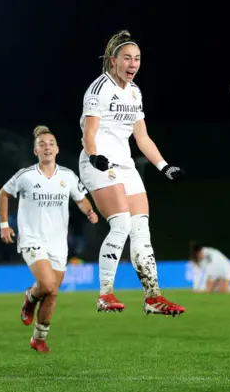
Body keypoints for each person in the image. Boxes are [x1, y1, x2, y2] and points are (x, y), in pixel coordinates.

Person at [78, 29, 186, 316]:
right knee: (122, 224)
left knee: (141, 230)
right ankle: (105, 294)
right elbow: (89, 134)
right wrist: (94, 157)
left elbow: (142, 138)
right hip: (99, 163)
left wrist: (165, 166)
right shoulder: (99, 89)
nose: (133, 64)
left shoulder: (135, 92)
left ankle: (153, 297)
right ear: (113, 60)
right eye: (127, 58)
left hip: (124, 164)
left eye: (137, 59)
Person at [0, 125, 99, 353]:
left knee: (52, 293)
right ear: (35, 151)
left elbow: (81, 199)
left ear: (57, 149)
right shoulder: (25, 176)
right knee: (47, 285)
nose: (47, 147)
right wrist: (4, 225)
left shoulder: (67, 176)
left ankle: (39, 339)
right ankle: (30, 297)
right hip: (32, 239)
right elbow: (3, 193)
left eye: (51, 144)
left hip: (58, 243)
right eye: (42, 144)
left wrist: (90, 212)